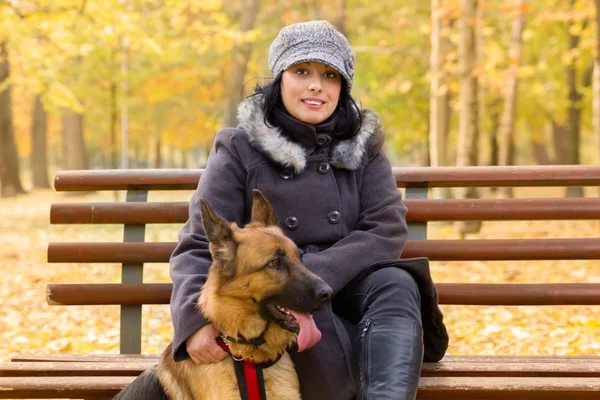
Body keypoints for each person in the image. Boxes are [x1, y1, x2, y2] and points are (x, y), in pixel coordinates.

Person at [169, 20, 448, 400]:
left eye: (330, 75)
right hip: (272, 308)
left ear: (342, 87)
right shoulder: (239, 147)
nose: (316, 85)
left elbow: (385, 229)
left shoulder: (364, 147)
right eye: (302, 71)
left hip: (347, 293)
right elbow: (203, 243)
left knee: (398, 282)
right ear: (279, 79)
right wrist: (193, 322)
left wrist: (309, 275)